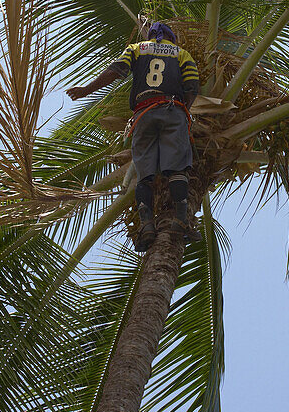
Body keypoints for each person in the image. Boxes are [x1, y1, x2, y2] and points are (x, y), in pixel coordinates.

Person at [66, 22, 201, 251]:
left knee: (145, 174)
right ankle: (181, 220)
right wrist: (183, 110)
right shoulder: (181, 53)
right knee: (177, 169)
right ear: (171, 37)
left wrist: (86, 90)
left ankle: (147, 225)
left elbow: (114, 72)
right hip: (172, 109)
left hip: (143, 114)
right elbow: (192, 86)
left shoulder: (137, 48)